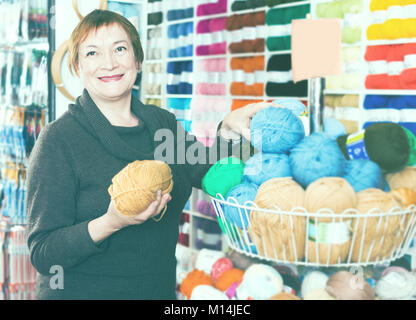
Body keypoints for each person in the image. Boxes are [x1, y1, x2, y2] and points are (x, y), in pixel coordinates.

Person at [26, 9, 275, 300]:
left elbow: (208, 171)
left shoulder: (162, 125)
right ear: (78, 67)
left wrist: (230, 130)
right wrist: (111, 222)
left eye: (120, 49)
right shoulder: (59, 139)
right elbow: (43, 253)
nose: (109, 63)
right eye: (92, 53)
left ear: (138, 60)